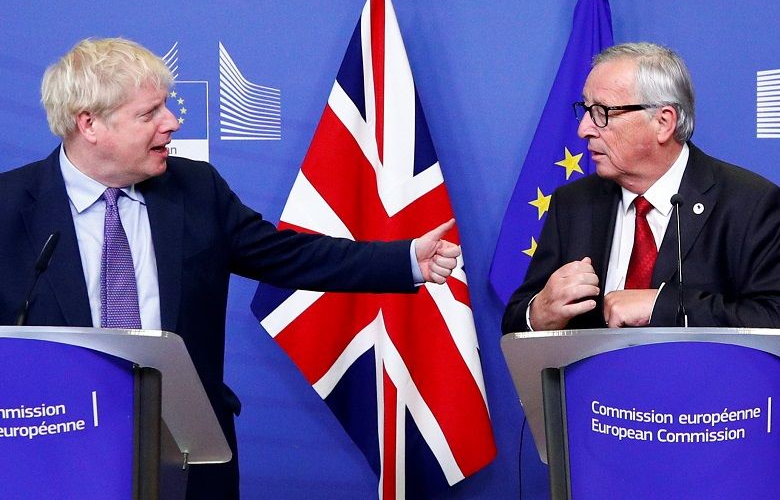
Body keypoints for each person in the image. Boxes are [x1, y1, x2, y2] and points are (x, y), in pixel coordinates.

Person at [0, 38, 462, 499]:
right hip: (56, 449)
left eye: (166, 106)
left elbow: (288, 256)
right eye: (149, 113)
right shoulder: (9, 206)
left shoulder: (195, 188)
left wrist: (404, 259)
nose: (171, 122)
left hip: (185, 449)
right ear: (89, 124)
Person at [502, 42, 780, 333]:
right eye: (585, 109)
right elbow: (516, 323)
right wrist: (541, 312)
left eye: (602, 112)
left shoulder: (749, 204)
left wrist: (661, 307)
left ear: (663, 122)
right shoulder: (573, 203)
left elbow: (773, 317)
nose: (583, 129)